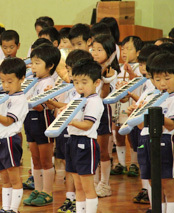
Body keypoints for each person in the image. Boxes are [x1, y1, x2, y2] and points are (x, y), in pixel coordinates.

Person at [46, 49, 93, 213]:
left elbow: (73, 109)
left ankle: (82, 200)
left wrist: (57, 106)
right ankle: (70, 197)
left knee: (79, 170)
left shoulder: (86, 91)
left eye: (70, 69)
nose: (68, 73)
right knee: (68, 165)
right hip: (67, 130)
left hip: (80, 133)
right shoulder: (69, 87)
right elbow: (65, 107)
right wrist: (51, 102)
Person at [131, 52, 174, 213]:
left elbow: (171, 125)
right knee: (153, 182)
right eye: (157, 80)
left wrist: (155, 112)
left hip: (166, 142)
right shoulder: (153, 96)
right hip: (147, 140)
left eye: (167, 78)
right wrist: (137, 113)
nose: (162, 83)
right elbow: (142, 126)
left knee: (168, 184)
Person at [0, 57, 28, 213]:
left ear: (22, 78)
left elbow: (8, 121)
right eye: (3, 81)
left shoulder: (20, 99)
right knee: (4, 178)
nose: (6, 85)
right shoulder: (2, 96)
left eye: (10, 81)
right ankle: (5, 207)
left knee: (14, 178)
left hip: (9, 140)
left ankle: (14, 209)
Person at [23, 44, 60, 206]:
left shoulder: (48, 82)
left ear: (50, 65)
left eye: (38, 63)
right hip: (29, 119)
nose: (33, 66)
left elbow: (40, 105)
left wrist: (25, 101)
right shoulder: (31, 80)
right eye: (32, 62)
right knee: (35, 158)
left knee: (45, 159)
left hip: (42, 118)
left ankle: (47, 192)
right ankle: (37, 190)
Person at [67, 58, 103, 213]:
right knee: (78, 186)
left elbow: (87, 124)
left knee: (87, 187)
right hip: (73, 141)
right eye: (76, 82)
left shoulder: (95, 102)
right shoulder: (78, 98)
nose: (79, 86)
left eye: (84, 82)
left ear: (96, 83)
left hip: (86, 143)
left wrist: (69, 121)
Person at [90, 34, 120, 197]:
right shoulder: (89, 68)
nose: (94, 53)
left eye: (99, 50)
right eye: (93, 49)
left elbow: (103, 95)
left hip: (102, 112)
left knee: (102, 151)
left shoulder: (110, 71)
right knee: (92, 149)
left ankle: (104, 184)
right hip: (88, 112)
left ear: (109, 52)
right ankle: (94, 182)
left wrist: (105, 77)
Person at [111, 36, 143, 176]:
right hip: (119, 106)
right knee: (118, 133)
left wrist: (131, 73)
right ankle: (122, 163)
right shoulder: (118, 68)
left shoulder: (140, 68)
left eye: (129, 49)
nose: (124, 52)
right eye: (123, 49)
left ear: (138, 52)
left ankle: (134, 164)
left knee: (132, 135)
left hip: (133, 105)